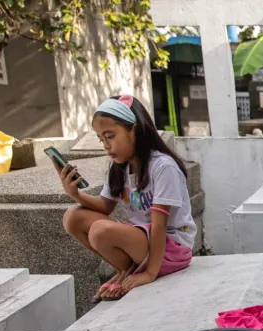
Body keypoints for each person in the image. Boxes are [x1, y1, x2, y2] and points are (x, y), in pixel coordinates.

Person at [60, 94, 195, 302]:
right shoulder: (119, 168)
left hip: (172, 247)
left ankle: (132, 271)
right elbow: (104, 206)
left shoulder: (163, 166)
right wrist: (75, 194)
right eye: (101, 139)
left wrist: (149, 274)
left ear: (134, 129)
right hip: (143, 241)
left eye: (110, 136)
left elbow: (159, 226)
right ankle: (123, 271)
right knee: (72, 217)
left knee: (100, 230)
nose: (105, 145)